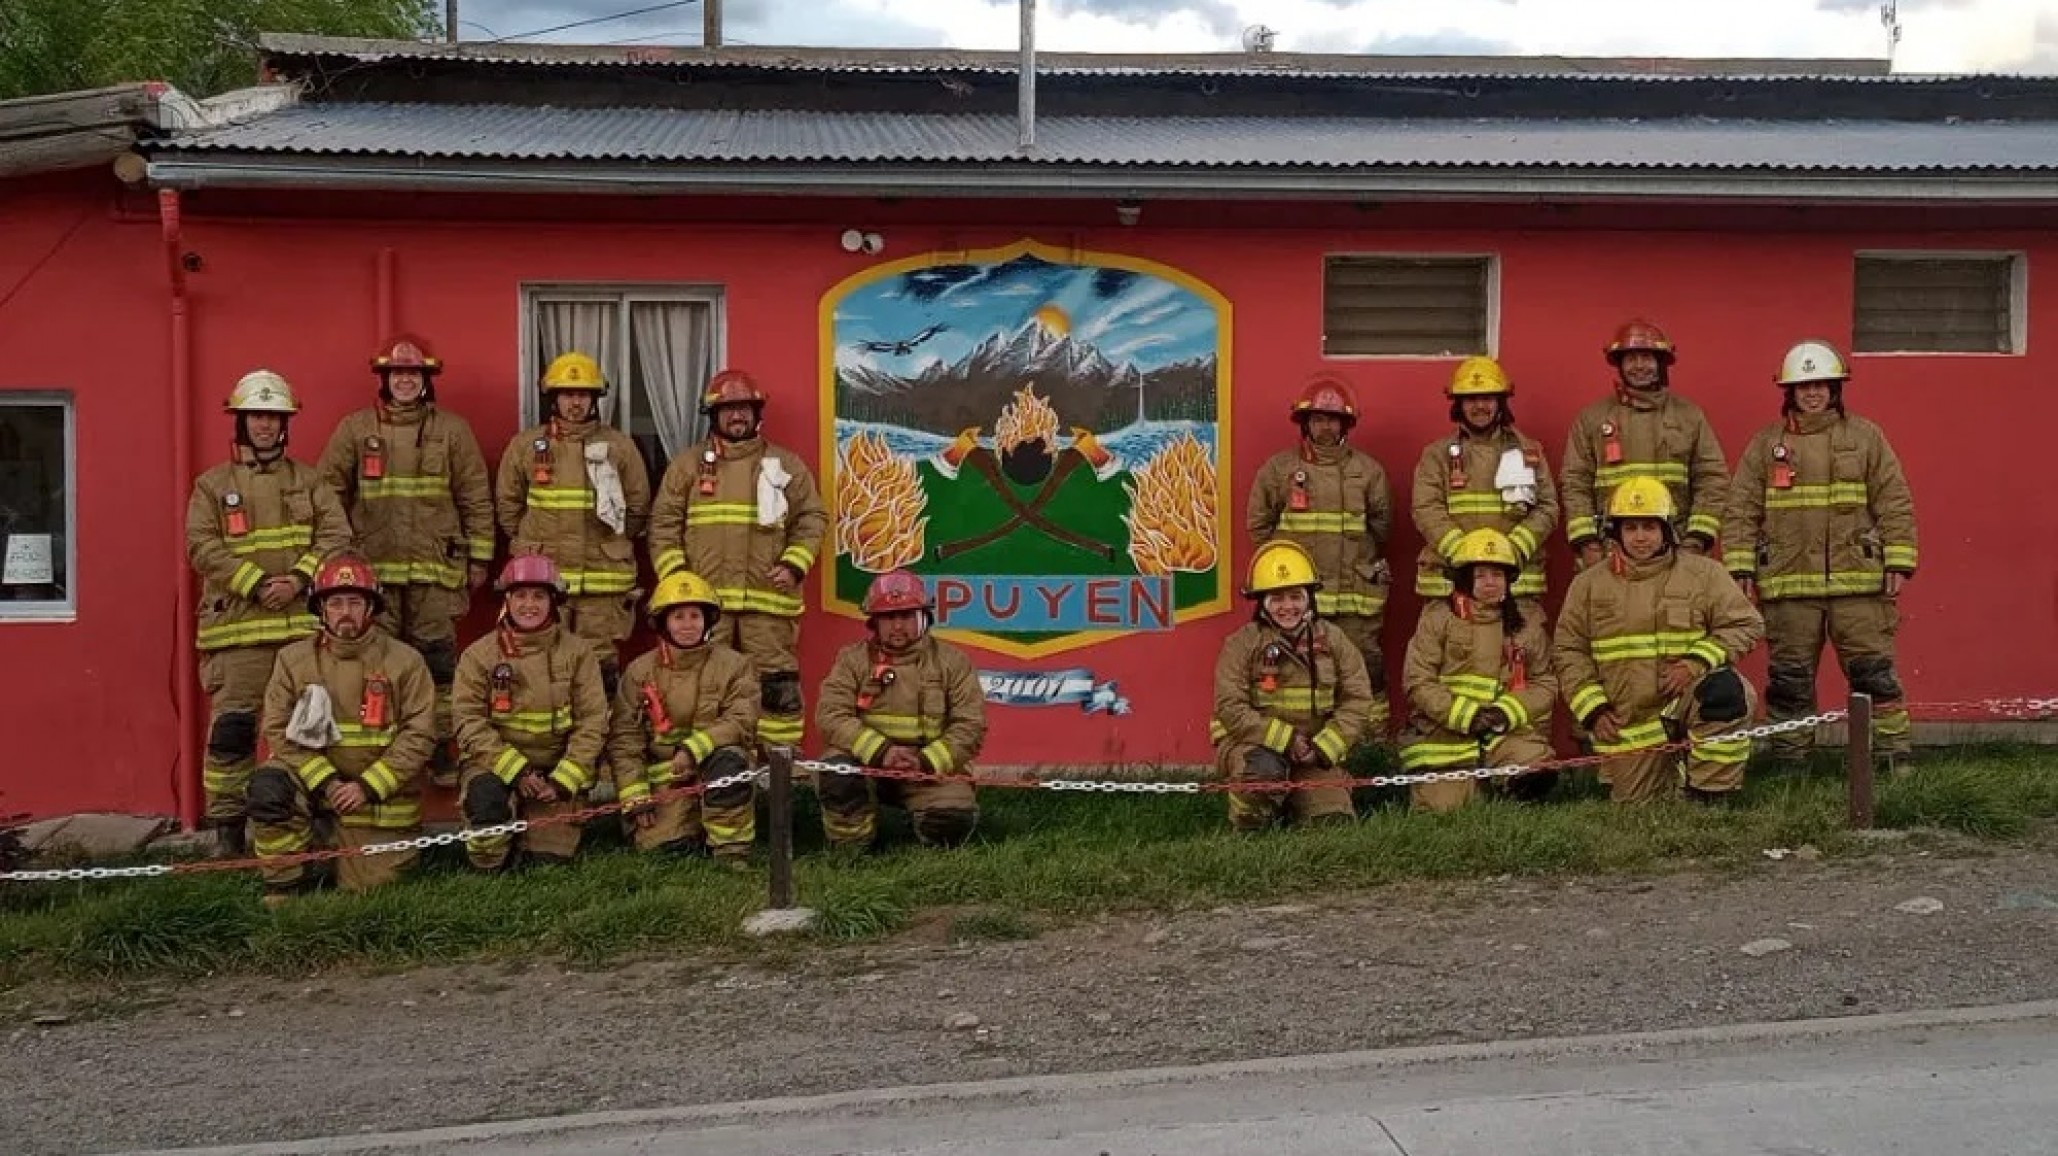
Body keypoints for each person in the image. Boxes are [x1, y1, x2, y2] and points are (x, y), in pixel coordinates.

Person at [1723, 340, 1919, 771]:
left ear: (1835, 389)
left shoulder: (1866, 437)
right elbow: (1740, 508)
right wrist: (1739, 566)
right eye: (1803, 386)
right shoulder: (1765, 445)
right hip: (1790, 586)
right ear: (1789, 392)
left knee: (1874, 675)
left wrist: (1899, 560)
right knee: (1790, 682)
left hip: (1859, 584)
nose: (1813, 393)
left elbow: (1894, 499)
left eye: (1822, 385)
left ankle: (1892, 757)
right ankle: (1792, 763)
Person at [184, 369, 351, 854]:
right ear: (240, 420)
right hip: (237, 636)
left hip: (301, 631)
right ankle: (228, 831)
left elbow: (337, 535)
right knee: (233, 734)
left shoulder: (310, 480)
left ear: (286, 424)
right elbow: (200, 545)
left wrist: (299, 579)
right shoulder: (212, 486)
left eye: (274, 416)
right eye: (257, 415)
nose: (265, 425)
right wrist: (256, 583)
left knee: (314, 727)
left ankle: (312, 820)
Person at [316, 335, 494, 785]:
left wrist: (479, 559)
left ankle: (439, 751)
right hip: (371, 577)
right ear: (385, 379)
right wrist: (336, 559)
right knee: (377, 665)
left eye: (413, 375)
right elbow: (326, 495)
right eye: (398, 375)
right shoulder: (355, 430)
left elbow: (475, 495)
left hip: (435, 573)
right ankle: (385, 753)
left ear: (426, 381)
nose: (405, 382)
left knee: (438, 667)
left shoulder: (452, 432)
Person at [647, 369, 826, 754]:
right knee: (709, 689)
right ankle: (719, 765)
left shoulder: (785, 465)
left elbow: (812, 518)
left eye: (744, 408)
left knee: (777, 688)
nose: (737, 417)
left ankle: (779, 778)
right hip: (708, 609)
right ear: (713, 416)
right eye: (728, 410)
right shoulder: (687, 467)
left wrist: (794, 564)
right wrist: (680, 584)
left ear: (756, 412)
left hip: (769, 603)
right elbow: (662, 526)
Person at [1555, 478, 1766, 804]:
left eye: (1650, 527)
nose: (1641, 537)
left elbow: (1745, 623)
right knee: (1638, 813)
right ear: (1616, 533)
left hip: (1684, 702)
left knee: (1727, 691)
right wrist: (1593, 709)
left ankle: (1710, 797)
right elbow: (1569, 651)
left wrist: (1696, 662)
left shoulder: (1704, 574)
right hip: (1631, 723)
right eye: (1631, 528)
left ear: (1667, 530)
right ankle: (1673, 779)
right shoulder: (1587, 586)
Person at [250, 554, 435, 904]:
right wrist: (329, 782)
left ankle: (335, 849)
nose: (344, 611)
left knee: (371, 894)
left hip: (378, 795)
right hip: (319, 785)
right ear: (321, 609)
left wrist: (367, 786)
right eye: (335, 602)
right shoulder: (292, 660)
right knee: (270, 786)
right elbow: (276, 728)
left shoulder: (405, 661)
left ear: (371, 608)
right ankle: (285, 885)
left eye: (354, 601)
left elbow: (420, 734)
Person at [493, 351, 651, 698]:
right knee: (545, 664)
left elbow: (638, 510)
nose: (575, 402)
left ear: (595, 399)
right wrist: (533, 545)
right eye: (567, 394)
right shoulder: (525, 447)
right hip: (546, 581)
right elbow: (508, 509)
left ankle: (599, 745)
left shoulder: (620, 447)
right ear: (554, 398)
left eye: (583, 394)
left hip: (604, 585)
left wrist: (611, 545)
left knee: (601, 670)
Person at [449, 555, 610, 871]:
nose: (529, 605)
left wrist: (563, 781)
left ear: (554, 601)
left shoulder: (579, 653)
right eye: (520, 595)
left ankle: (537, 838)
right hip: (494, 766)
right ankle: (489, 868)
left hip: (555, 771)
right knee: (486, 801)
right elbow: (468, 722)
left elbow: (593, 722)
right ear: (507, 599)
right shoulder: (479, 655)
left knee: (546, 864)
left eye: (539, 596)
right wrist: (517, 771)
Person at [1247, 371, 1395, 704]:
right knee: (1294, 669)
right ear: (1305, 423)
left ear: (1346, 425)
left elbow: (1382, 528)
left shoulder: (1369, 472)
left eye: (1333, 420)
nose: (1326, 427)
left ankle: (1371, 749)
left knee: (1364, 667)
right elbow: (1260, 527)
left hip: (1355, 601)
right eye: (1318, 419)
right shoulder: (1278, 470)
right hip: (1296, 599)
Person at [813, 570, 986, 853]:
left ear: (924, 618)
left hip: (929, 769)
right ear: (874, 622)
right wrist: (883, 752)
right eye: (888, 618)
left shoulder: (953, 663)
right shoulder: (852, 660)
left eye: (906, 616)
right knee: (839, 777)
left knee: (950, 821)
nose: (897, 626)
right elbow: (831, 715)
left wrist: (926, 762)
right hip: (866, 761)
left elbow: (970, 726)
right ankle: (852, 849)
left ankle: (928, 830)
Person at [1210, 540, 1377, 831]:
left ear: (1309, 598)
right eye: (1277, 598)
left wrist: (1324, 747)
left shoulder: (1335, 641)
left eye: (1295, 596)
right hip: (1254, 748)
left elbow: (1358, 700)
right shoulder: (1241, 644)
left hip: (1313, 754)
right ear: (1262, 602)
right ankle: (1250, 826)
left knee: (1333, 824)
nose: (1287, 607)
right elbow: (1230, 706)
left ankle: (1295, 803)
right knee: (1261, 779)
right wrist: (1287, 740)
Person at [1398, 529, 1561, 810]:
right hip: (1443, 733)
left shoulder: (1524, 625)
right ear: (1465, 579)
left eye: (1497, 575)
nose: (1490, 583)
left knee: (1537, 769)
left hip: (1501, 728)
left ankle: (1511, 793)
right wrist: (1466, 716)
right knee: (1446, 812)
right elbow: (1417, 680)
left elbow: (1545, 682)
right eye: (1482, 575)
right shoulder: (1438, 619)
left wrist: (1505, 713)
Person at [607, 571, 761, 864]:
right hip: (666, 781)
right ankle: (687, 831)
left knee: (729, 758)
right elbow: (624, 740)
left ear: (708, 620)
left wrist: (694, 748)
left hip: (716, 766)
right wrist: (635, 798)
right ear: (663, 622)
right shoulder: (640, 672)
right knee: (668, 853)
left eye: (695, 615)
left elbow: (742, 718)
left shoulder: (735, 665)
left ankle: (731, 853)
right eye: (678, 617)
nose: (688, 624)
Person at [1561, 320, 1729, 566]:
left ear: (1660, 363)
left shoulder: (1689, 416)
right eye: (1631, 359)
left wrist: (1697, 538)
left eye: (1647, 357)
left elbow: (1712, 478)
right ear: (1619, 364)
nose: (1639, 366)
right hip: (1610, 551)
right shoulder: (1592, 419)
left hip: (1678, 549)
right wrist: (1587, 541)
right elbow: (1575, 481)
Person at [1410, 355, 1560, 603]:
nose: (1480, 406)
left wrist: (1514, 548)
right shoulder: (1436, 455)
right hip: (1452, 581)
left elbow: (1547, 507)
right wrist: (1463, 552)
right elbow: (1425, 508)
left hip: (1517, 583)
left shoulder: (1528, 452)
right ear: (1458, 404)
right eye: (1471, 399)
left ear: (1501, 402)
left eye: (1488, 398)